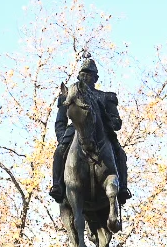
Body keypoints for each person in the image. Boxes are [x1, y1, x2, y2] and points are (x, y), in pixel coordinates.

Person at [50, 52, 131, 204]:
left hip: (102, 134)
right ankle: (58, 186)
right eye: (83, 74)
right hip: (74, 131)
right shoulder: (68, 96)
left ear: (96, 78)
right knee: (59, 151)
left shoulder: (106, 97)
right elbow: (60, 121)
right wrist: (63, 139)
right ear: (78, 76)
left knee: (120, 152)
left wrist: (111, 123)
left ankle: (122, 189)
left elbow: (116, 122)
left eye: (90, 75)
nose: (86, 77)